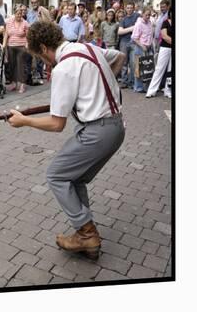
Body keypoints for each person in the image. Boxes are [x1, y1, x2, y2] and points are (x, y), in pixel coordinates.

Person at [8, 20, 126, 259]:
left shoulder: (64, 68)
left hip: (97, 132)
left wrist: (24, 121)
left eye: (40, 58)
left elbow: (56, 123)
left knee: (56, 175)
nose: (44, 63)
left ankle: (87, 234)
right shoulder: (88, 48)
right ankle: (84, 232)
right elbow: (120, 56)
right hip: (116, 128)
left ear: (43, 48)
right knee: (76, 179)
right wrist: (99, 87)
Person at [3, 4, 30, 93]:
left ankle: (22, 84)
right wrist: (4, 45)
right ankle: (14, 83)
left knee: (21, 66)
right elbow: (6, 34)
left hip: (21, 47)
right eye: (17, 13)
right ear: (14, 13)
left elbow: (28, 36)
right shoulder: (9, 22)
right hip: (11, 46)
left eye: (20, 13)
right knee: (12, 65)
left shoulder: (25, 23)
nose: (19, 15)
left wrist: (26, 45)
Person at [146, 8, 172, 98]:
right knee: (159, 69)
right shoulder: (166, 22)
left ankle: (168, 91)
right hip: (165, 48)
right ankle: (151, 91)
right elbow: (164, 36)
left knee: (170, 71)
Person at [27, 0, 52, 83]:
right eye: (32, 2)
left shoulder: (43, 10)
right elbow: (28, 23)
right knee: (32, 56)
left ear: (38, 2)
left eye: (35, 2)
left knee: (40, 57)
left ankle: (40, 74)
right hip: (32, 36)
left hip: (40, 37)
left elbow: (49, 22)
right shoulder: (29, 12)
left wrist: (41, 16)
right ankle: (34, 75)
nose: (34, 4)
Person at [131, 7, 154, 93]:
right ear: (142, 14)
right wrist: (142, 46)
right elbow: (134, 38)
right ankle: (138, 87)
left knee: (148, 68)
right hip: (140, 48)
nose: (148, 16)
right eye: (146, 15)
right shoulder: (139, 24)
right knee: (139, 69)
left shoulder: (149, 23)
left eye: (149, 15)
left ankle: (146, 87)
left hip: (148, 48)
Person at [118, 2, 140, 88]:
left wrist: (125, 29)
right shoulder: (123, 19)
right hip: (124, 42)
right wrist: (131, 28)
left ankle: (131, 82)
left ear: (134, 8)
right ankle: (124, 81)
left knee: (132, 63)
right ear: (125, 9)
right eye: (128, 8)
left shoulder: (137, 16)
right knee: (124, 63)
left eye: (131, 7)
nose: (129, 9)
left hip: (134, 42)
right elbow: (120, 32)